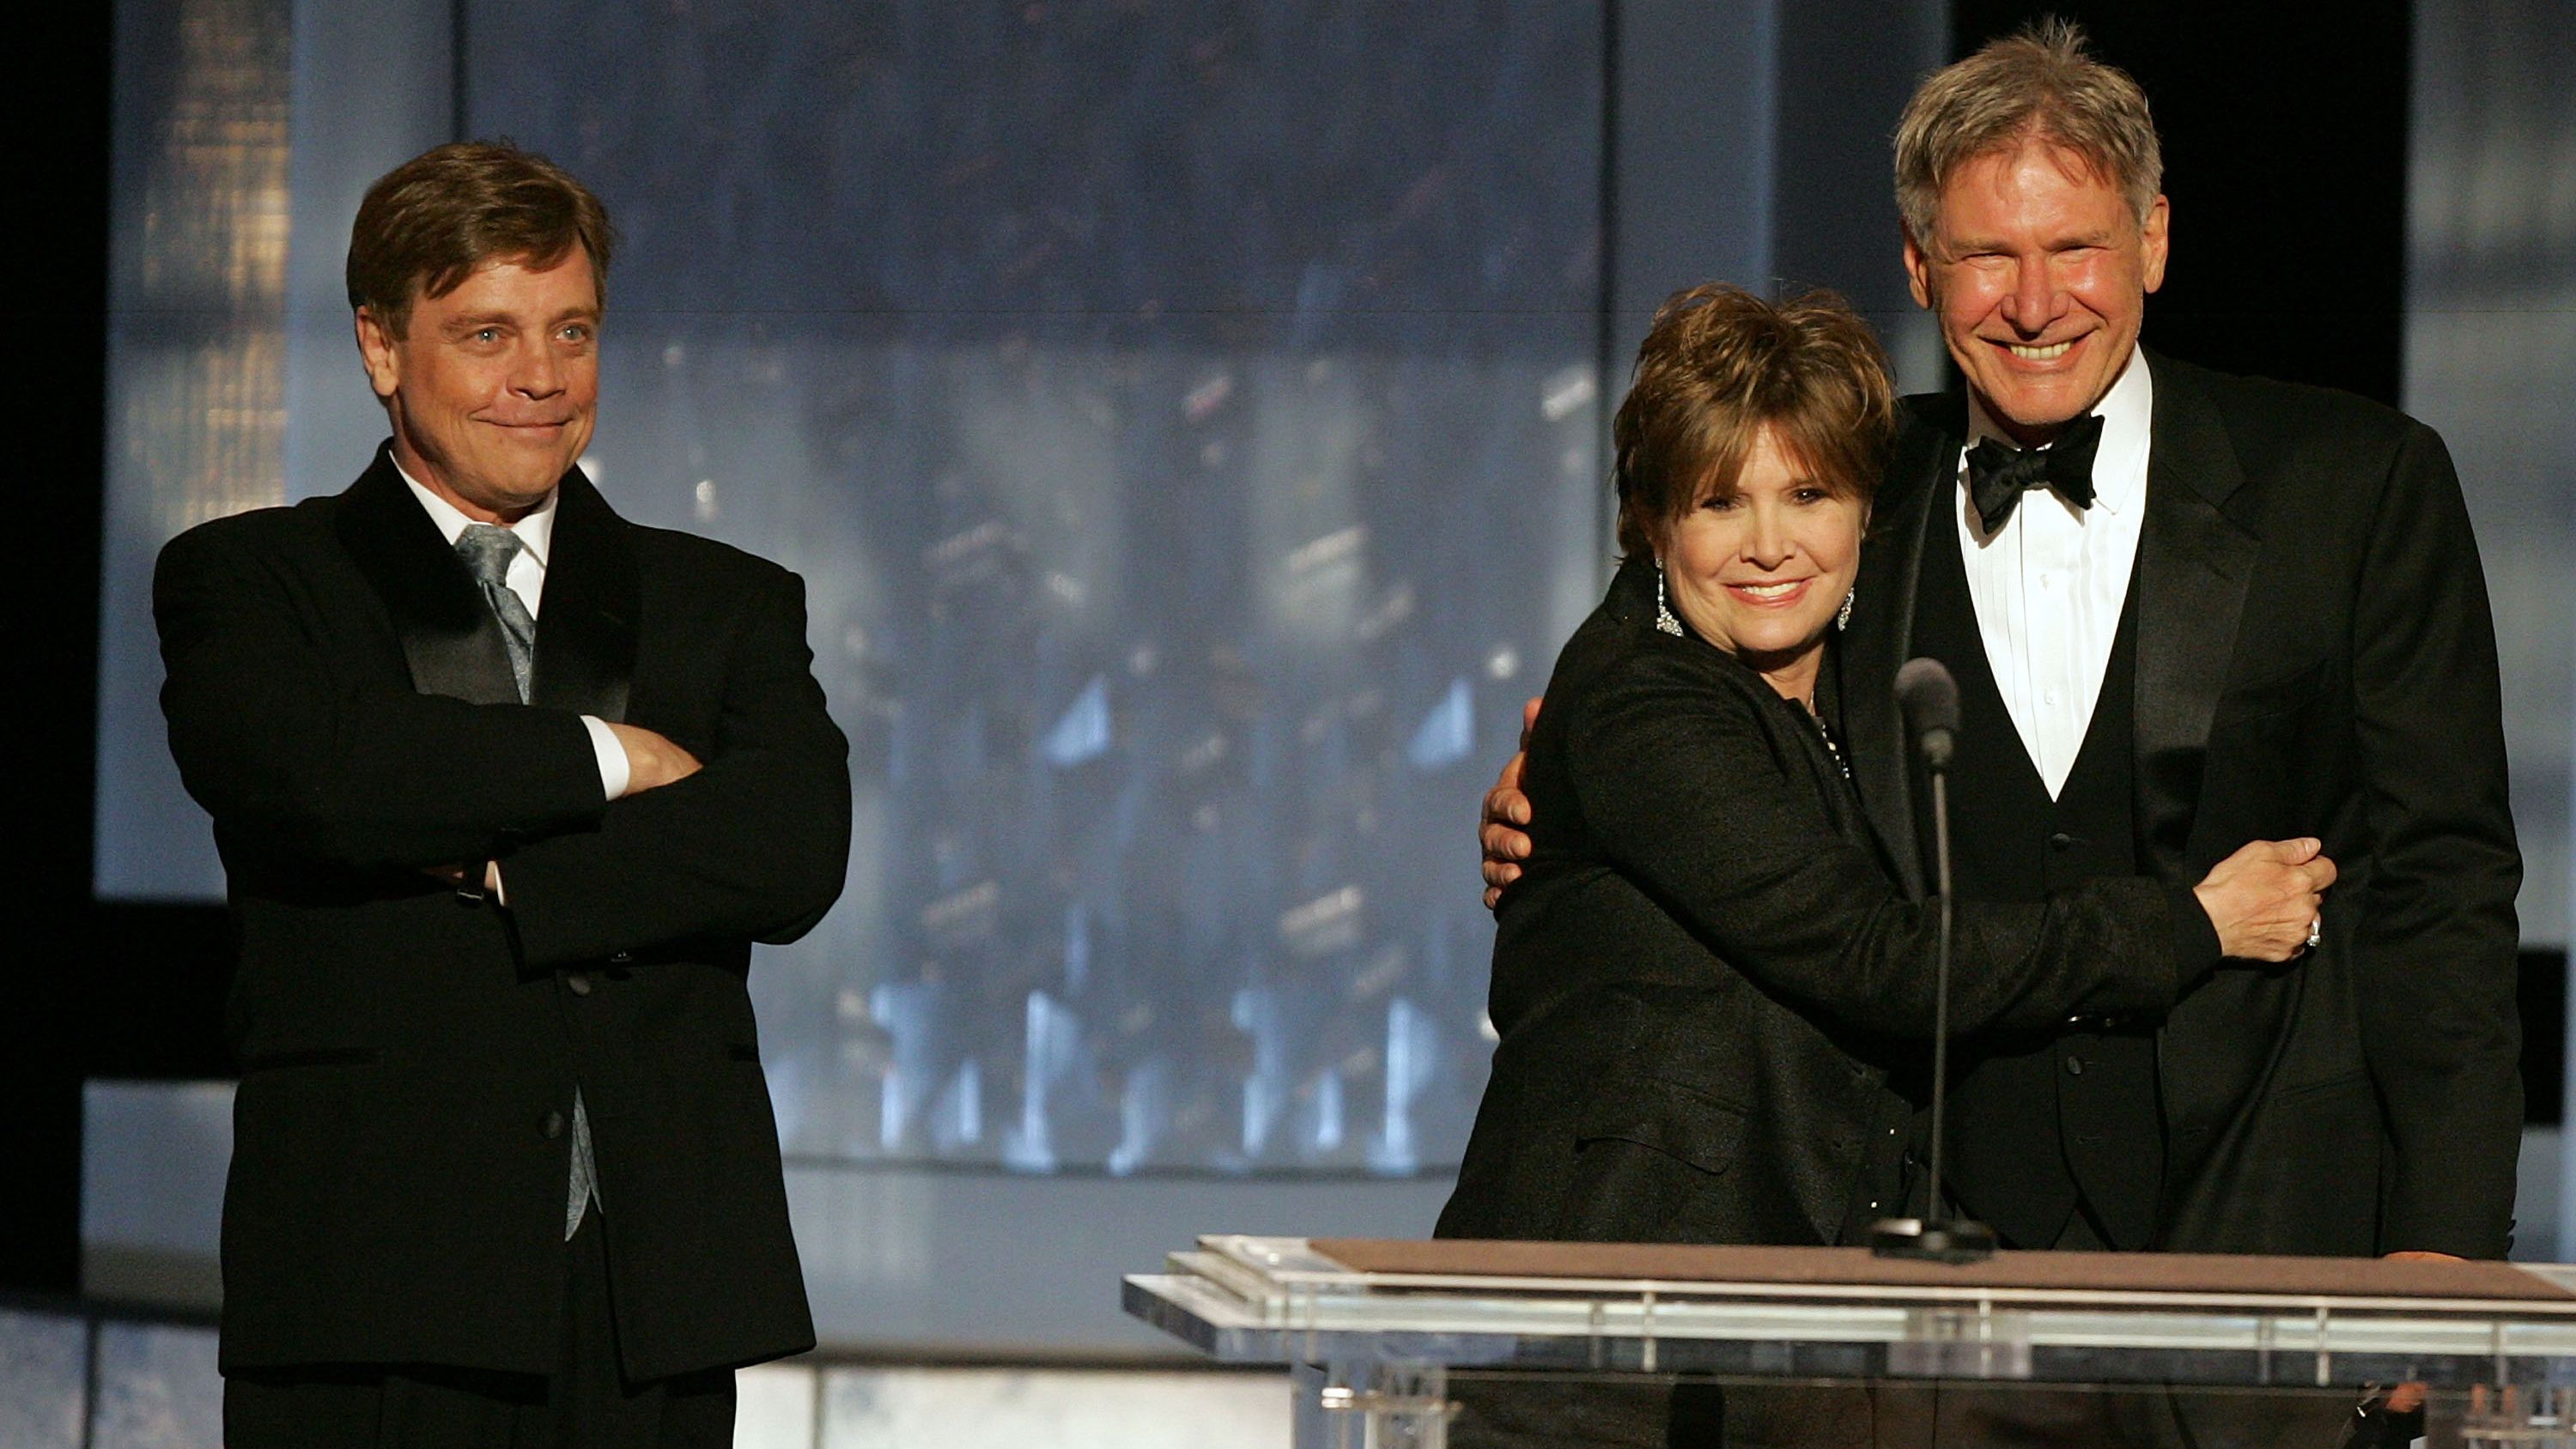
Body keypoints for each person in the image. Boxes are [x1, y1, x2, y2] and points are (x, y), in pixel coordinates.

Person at [1481, 22, 2521, 1265]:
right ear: (1921, 270)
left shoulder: (2353, 487)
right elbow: (1659, 647)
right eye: (1988, 256)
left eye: (2075, 247)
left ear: (2154, 240)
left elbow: (2445, 884)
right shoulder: (1845, 489)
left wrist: (2446, 1244)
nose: (2035, 303)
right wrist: (1546, 801)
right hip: (1923, 1264)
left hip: (2271, 1228)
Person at [1440, 282, 2329, 1449]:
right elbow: (1880, 959)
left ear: (1869, 510)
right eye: (1718, 503)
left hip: (1781, 1358)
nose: (1769, 545)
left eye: (1809, 494)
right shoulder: (1639, 708)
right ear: (1655, 524)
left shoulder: (1866, 694)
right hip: (1601, 1358)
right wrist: (2195, 925)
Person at [154, 141, 851, 1445]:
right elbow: (333, 779)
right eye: (488, 333)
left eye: (572, 330)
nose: (542, 378)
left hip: (651, 1294)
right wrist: (614, 759)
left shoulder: (724, 603)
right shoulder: (254, 581)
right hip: (376, 1281)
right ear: (380, 346)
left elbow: (791, 850)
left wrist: (503, 870)